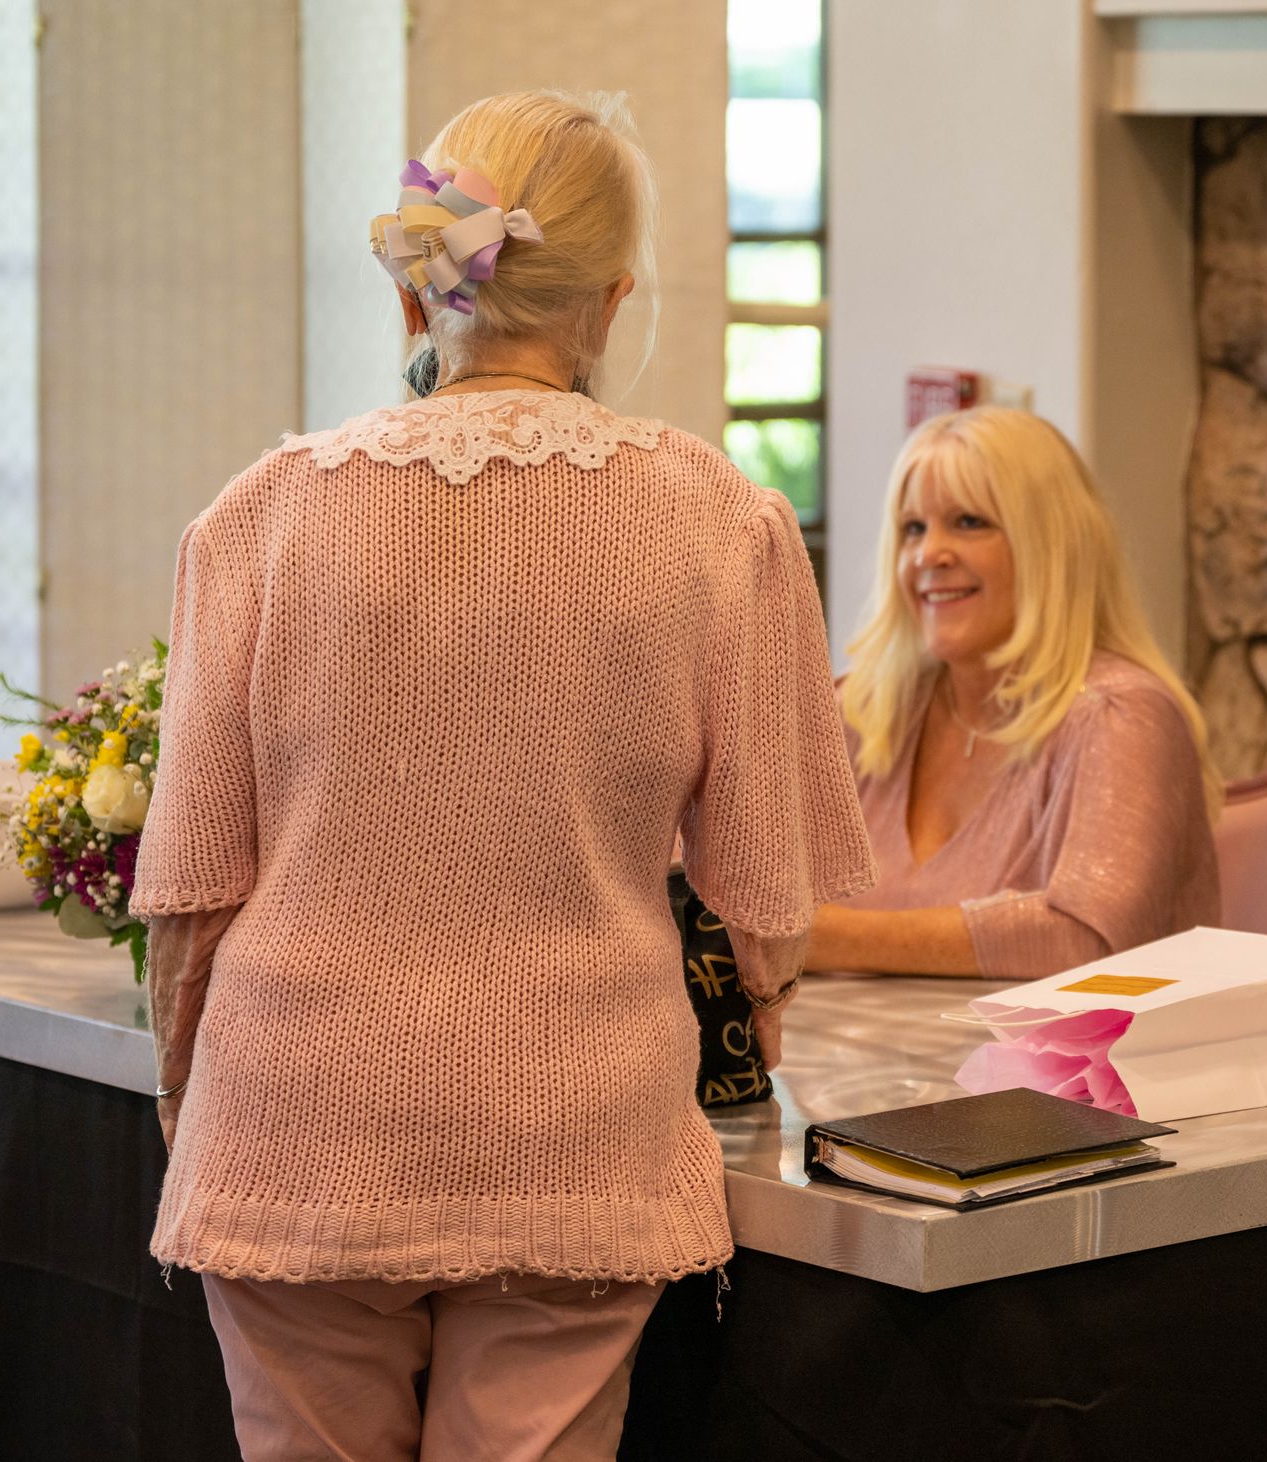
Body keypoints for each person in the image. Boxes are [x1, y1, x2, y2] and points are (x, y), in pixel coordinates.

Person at [132, 90, 873, 1461]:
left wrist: (193, 1093)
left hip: (295, 1116)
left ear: (423, 294)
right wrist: (756, 1021)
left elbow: (187, 895)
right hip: (578, 1131)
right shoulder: (720, 519)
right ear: (609, 297)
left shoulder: (259, 517)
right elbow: (770, 894)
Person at [806, 406, 1221, 980]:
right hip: (841, 1069)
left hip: (1071, 1072)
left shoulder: (1120, 716)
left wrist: (819, 938)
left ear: (1052, 545)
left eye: (969, 522)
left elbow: (1085, 941)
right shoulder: (861, 712)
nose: (930, 554)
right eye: (913, 528)